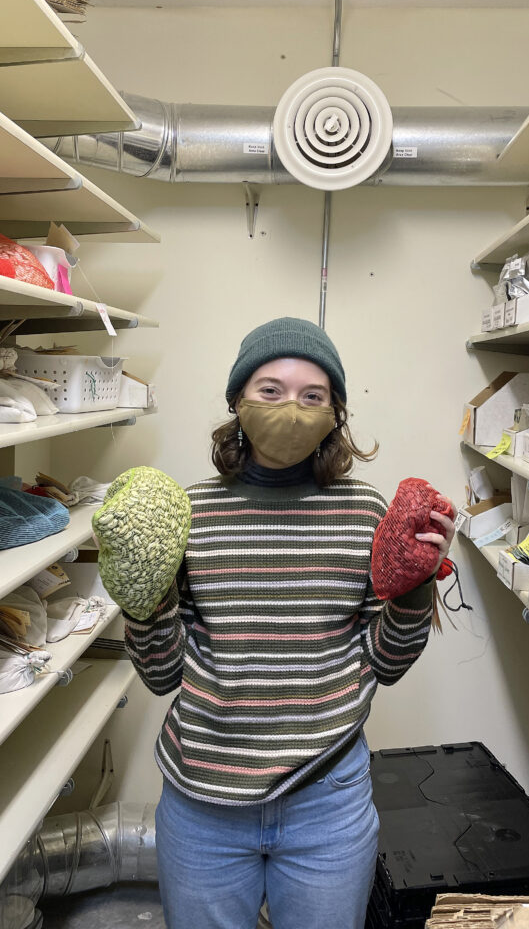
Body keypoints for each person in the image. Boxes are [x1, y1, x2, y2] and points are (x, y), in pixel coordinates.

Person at [123, 316, 456, 929]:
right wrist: (142, 594)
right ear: (237, 402)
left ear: (336, 415)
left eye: (313, 396)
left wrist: (412, 589)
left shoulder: (365, 512)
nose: (292, 409)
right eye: (270, 390)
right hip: (203, 802)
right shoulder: (188, 512)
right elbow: (161, 675)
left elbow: (387, 663)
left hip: (327, 799)